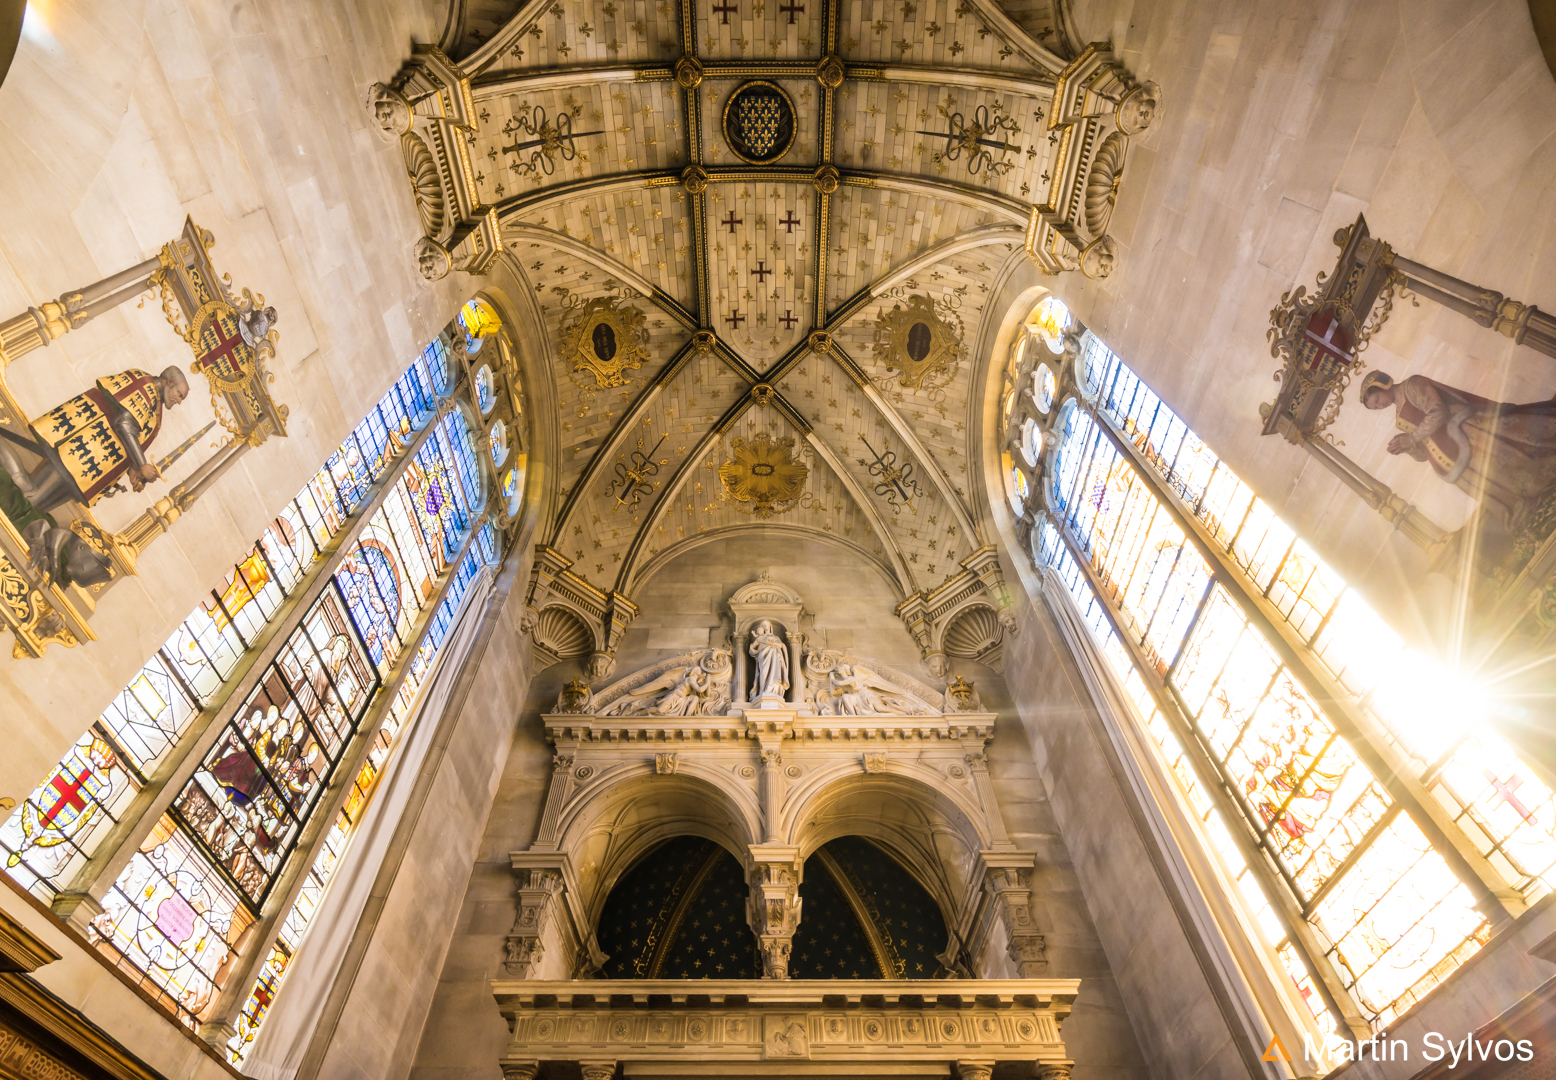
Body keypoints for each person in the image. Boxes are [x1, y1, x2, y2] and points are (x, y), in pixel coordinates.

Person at [1360, 369, 1556, 530]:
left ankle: (1544, 476)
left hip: (1468, 431)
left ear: (1382, 384)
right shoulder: (1398, 419)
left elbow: (1438, 411)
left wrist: (1412, 437)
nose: (1380, 405)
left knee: (1511, 456)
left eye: (1377, 399)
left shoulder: (1411, 386)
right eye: (1376, 407)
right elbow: (1424, 451)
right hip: (1451, 457)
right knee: (1492, 477)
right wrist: (1409, 447)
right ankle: (1530, 503)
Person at [748, 619, 789, 700]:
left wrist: (775, 645)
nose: (765, 626)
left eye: (767, 624)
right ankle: (763, 691)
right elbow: (751, 648)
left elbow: (781, 645)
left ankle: (774, 690)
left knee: (775, 673)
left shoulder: (775, 637)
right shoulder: (760, 638)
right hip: (763, 658)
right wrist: (756, 652)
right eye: (763, 625)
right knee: (763, 673)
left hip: (775, 657)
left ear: (770, 626)